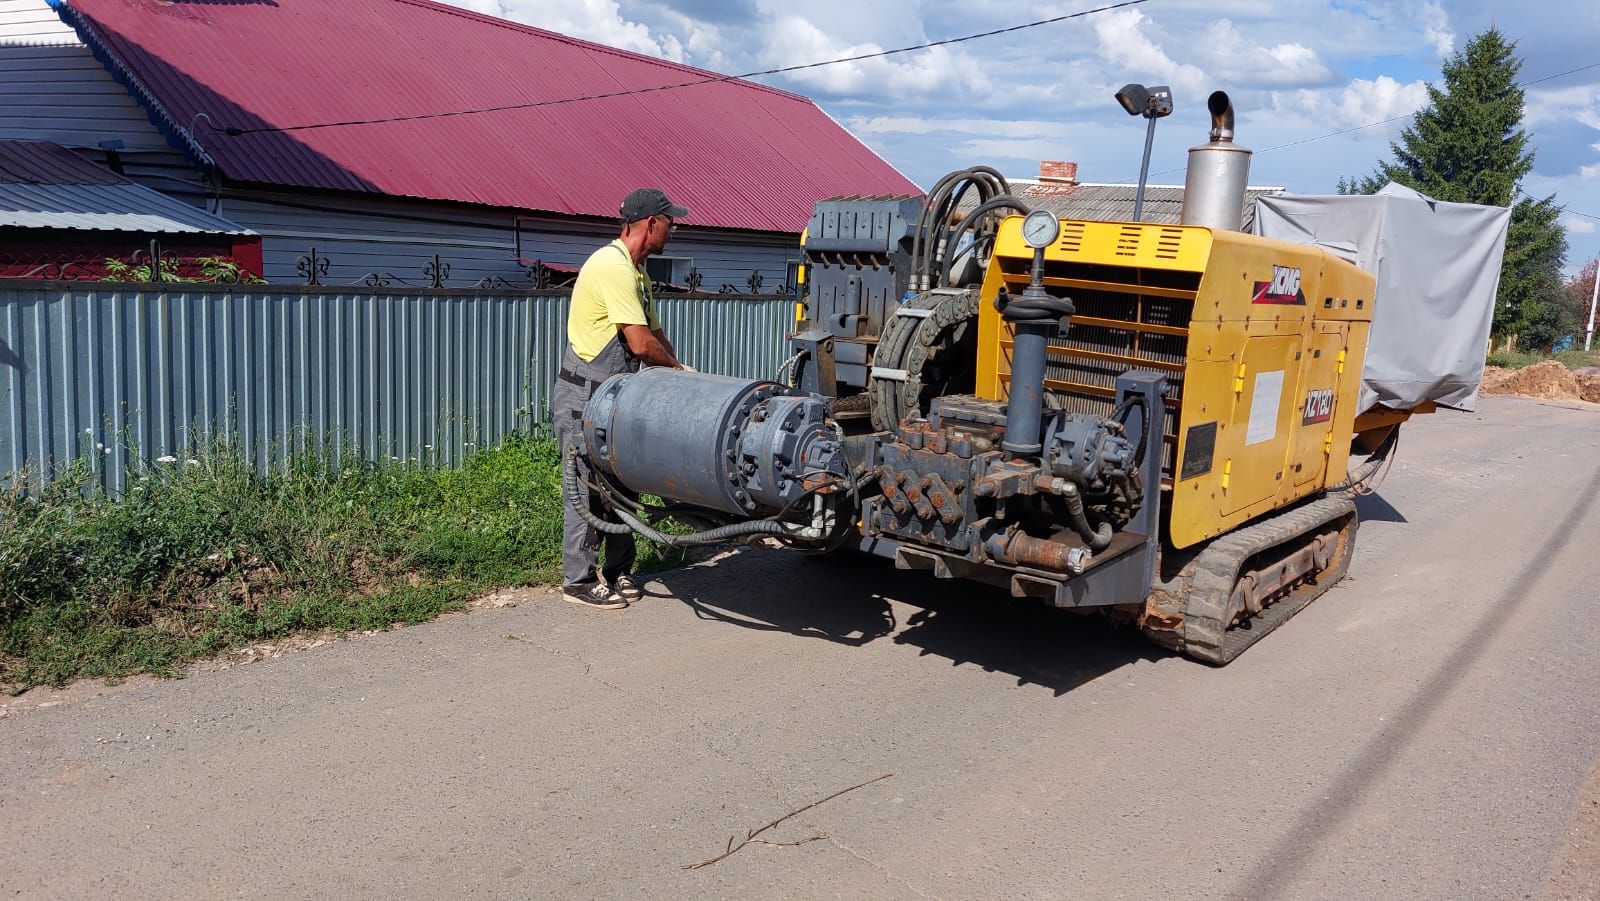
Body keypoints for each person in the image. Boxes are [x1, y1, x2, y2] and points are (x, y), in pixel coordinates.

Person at [554, 187, 689, 610]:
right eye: (670, 222)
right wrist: (673, 370)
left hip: (614, 396)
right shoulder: (611, 266)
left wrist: (682, 371)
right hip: (584, 395)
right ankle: (577, 581)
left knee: (621, 482)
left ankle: (618, 571)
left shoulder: (637, 273)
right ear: (651, 224)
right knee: (586, 487)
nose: (674, 229)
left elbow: (655, 333)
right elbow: (640, 343)